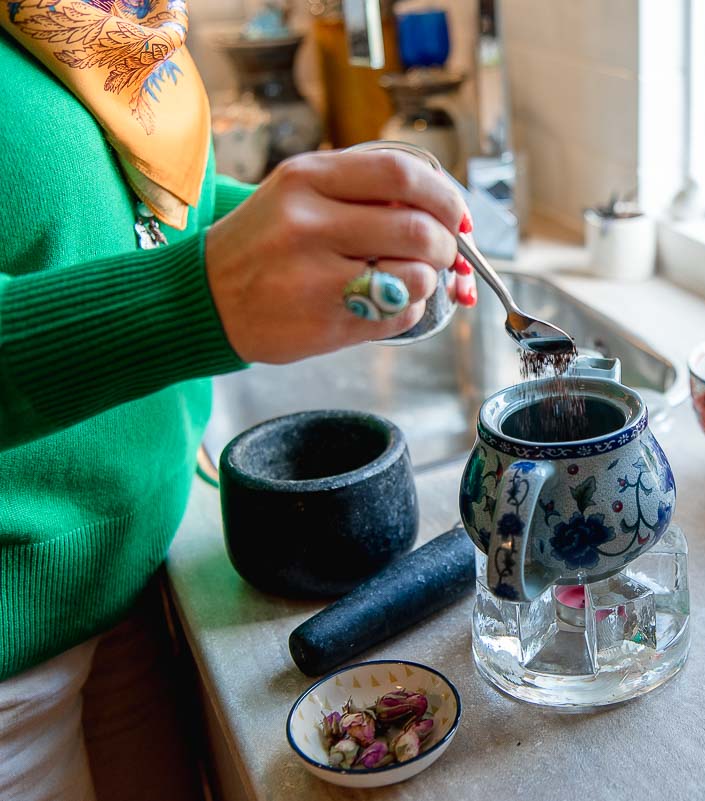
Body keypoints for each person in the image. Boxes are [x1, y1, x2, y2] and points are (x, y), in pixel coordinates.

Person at [0, 3, 476, 799]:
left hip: (130, 580)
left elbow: (110, 214)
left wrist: (312, 235)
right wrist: (196, 296)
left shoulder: (108, 12)